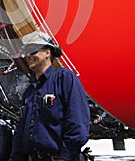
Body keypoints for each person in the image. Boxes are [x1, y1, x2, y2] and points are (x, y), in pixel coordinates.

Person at [11, 31, 91, 161]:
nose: (28, 56)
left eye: (33, 50)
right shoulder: (29, 92)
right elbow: (21, 129)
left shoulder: (64, 78)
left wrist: (64, 156)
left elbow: (78, 123)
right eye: (26, 53)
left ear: (48, 52)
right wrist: (16, 156)